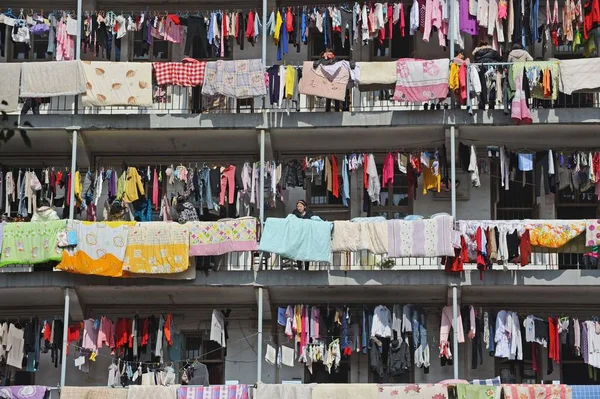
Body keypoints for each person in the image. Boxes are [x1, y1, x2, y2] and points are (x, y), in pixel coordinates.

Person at [291, 200, 314, 271]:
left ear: (304, 207)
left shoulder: (309, 214)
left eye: (300, 206)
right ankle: (299, 268)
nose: (299, 208)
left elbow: (314, 220)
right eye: (298, 206)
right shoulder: (294, 214)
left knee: (306, 252)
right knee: (298, 252)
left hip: (306, 236)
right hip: (298, 236)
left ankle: (307, 268)